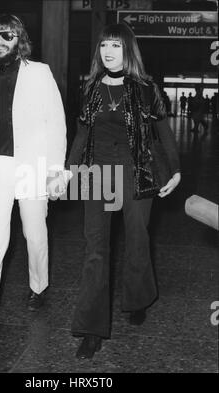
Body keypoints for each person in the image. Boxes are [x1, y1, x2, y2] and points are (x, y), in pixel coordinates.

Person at [63, 23, 181, 359]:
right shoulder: (90, 88)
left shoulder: (145, 88)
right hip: (99, 172)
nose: (109, 52)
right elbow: (81, 135)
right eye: (104, 46)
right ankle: (90, 329)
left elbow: (164, 132)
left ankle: (139, 297)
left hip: (137, 171)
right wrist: (68, 171)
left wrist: (175, 170)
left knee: (137, 237)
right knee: (95, 249)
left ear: (128, 50)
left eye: (116, 45)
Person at [0, 14, 67, 343]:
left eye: (6, 36)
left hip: (32, 165)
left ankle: (39, 286)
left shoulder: (40, 73)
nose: (0, 42)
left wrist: (55, 171)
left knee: (34, 233)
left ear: (18, 38)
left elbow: (56, 124)